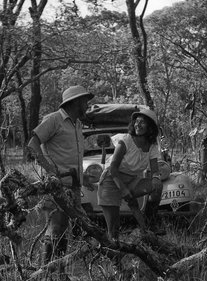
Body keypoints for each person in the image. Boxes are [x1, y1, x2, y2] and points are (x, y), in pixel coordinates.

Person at [27, 85, 94, 264]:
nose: (87, 105)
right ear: (76, 102)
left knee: (64, 230)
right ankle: (46, 274)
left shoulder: (77, 123)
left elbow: (72, 156)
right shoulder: (54, 120)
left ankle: (58, 272)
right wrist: (49, 168)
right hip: (56, 186)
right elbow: (33, 144)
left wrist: (83, 178)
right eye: (85, 101)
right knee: (55, 229)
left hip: (73, 185)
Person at [97, 107, 163, 242]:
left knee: (157, 185)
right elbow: (113, 169)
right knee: (114, 229)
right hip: (112, 180)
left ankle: (151, 223)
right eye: (136, 122)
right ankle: (113, 256)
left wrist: (156, 178)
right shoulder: (125, 141)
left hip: (132, 180)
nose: (138, 125)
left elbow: (155, 170)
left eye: (142, 122)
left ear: (150, 127)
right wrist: (124, 190)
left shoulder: (151, 146)